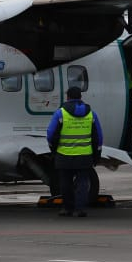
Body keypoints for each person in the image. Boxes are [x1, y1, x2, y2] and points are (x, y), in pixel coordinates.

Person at [47, 87, 103, 217]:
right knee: (83, 182)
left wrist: (53, 150)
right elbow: (98, 137)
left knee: (65, 183)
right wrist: (97, 154)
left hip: (64, 155)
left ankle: (67, 208)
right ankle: (80, 209)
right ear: (81, 97)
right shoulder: (91, 114)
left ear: (67, 97)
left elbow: (50, 134)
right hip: (84, 155)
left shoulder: (60, 113)